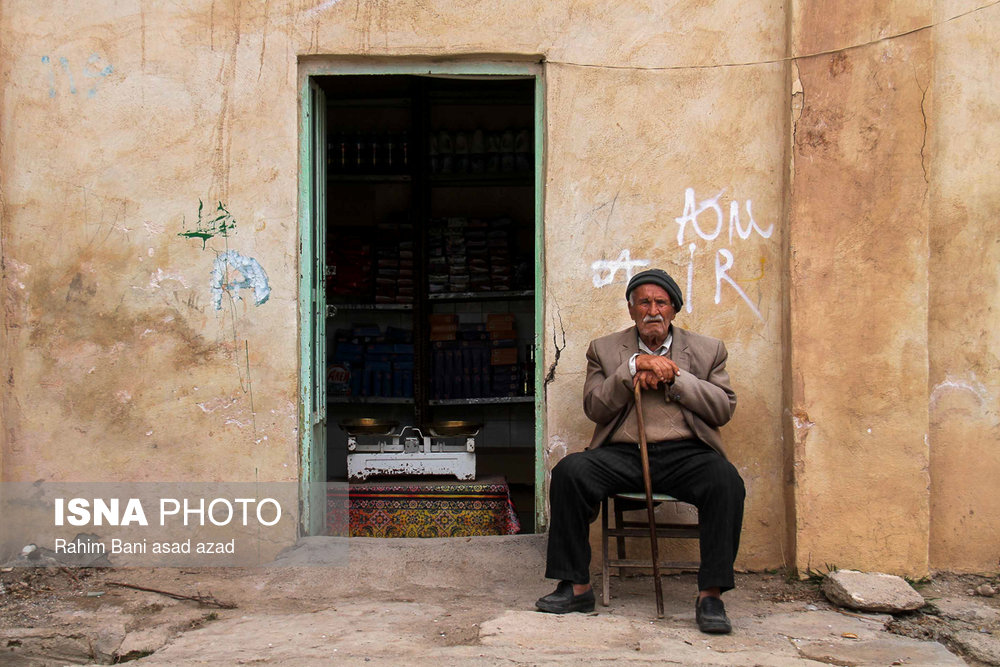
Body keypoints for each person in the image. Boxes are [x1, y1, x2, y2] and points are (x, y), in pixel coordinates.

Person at [535, 268, 745, 634]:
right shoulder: (603, 349)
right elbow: (595, 408)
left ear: (674, 310)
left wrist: (674, 376)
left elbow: (722, 409)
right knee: (570, 473)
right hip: (624, 454)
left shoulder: (709, 350)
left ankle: (710, 595)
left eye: (661, 302)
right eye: (643, 302)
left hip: (687, 453)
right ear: (631, 310)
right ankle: (576, 586)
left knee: (726, 482)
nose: (653, 310)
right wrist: (632, 366)